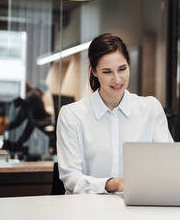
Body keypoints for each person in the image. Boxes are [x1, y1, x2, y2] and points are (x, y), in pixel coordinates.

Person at [57, 33, 173, 194]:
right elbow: (71, 178)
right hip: (88, 210)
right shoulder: (71, 115)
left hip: (139, 208)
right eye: (107, 72)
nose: (117, 79)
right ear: (94, 71)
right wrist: (113, 184)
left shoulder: (150, 108)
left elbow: (168, 164)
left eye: (122, 69)